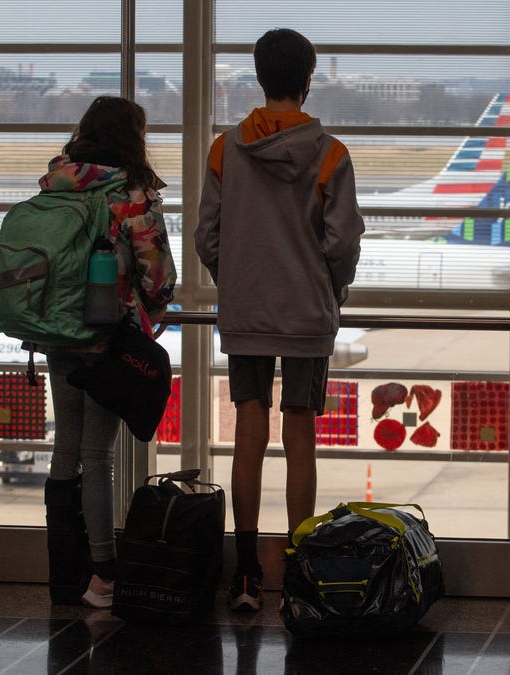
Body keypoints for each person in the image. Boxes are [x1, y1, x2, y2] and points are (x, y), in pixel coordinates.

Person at [195, 28, 365, 611]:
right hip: (307, 314)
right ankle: (300, 571)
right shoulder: (331, 152)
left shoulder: (225, 148)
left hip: (246, 312)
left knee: (248, 430)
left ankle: (244, 574)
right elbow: (342, 242)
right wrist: (327, 290)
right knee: (300, 437)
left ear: (259, 76)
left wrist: (238, 281)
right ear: (308, 77)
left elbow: (206, 237)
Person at [42, 96, 177, 608]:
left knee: (66, 448)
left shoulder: (57, 181)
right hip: (106, 334)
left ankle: (63, 577)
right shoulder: (130, 193)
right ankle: (103, 576)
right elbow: (158, 277)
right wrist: (153, 305)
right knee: (96, 455)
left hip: (56, 329)